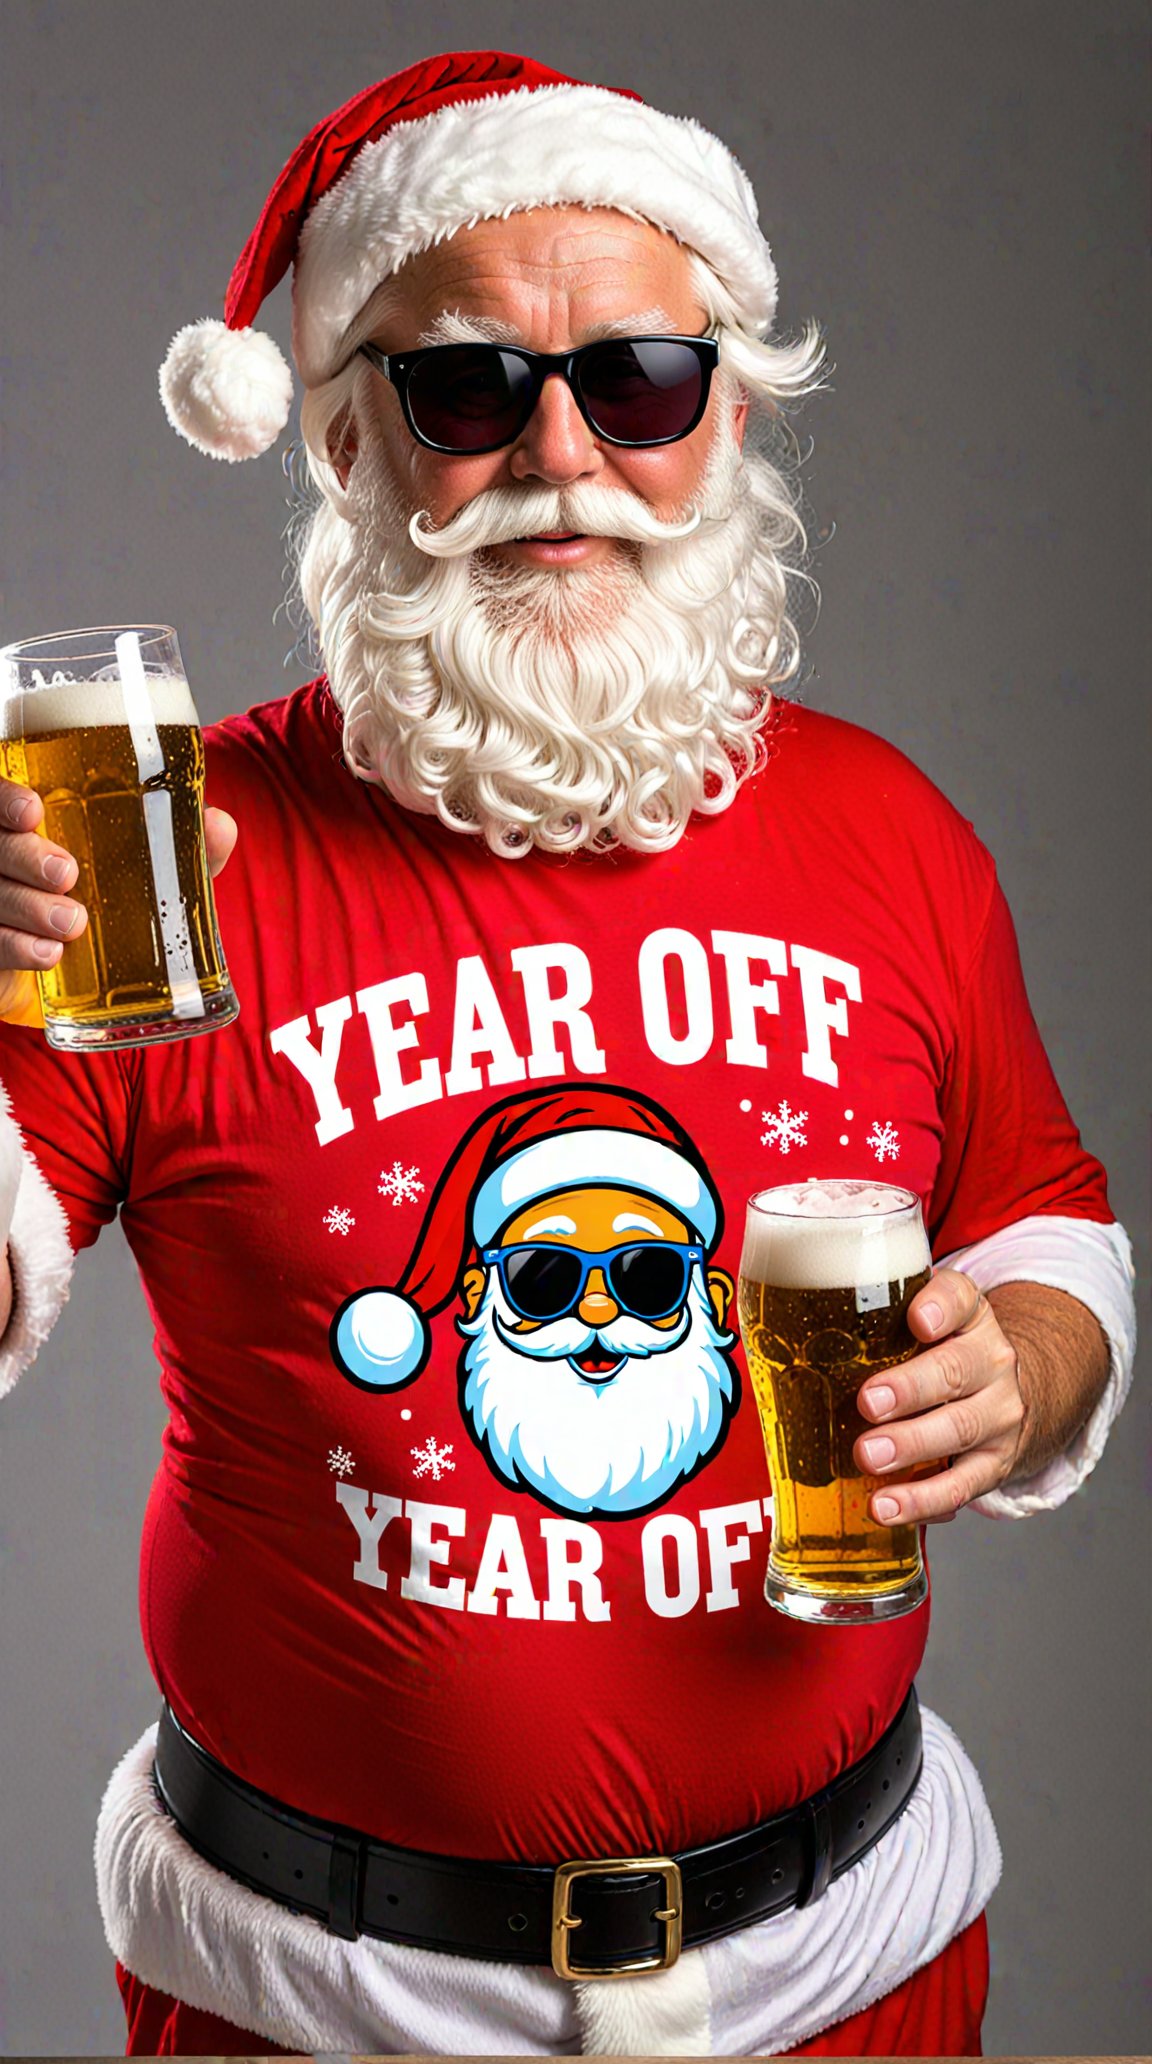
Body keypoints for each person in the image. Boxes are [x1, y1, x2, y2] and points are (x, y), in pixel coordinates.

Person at [0, 49, 1135, 2060]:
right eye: (461, 391)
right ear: (342, 443)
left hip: (850, 1975)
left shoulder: (894, 831)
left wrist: (1031, 1368)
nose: (561, 455)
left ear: (729, 414)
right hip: (317, 2004)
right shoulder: (156, 869)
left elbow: (1038, 1214)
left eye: (638, 382)